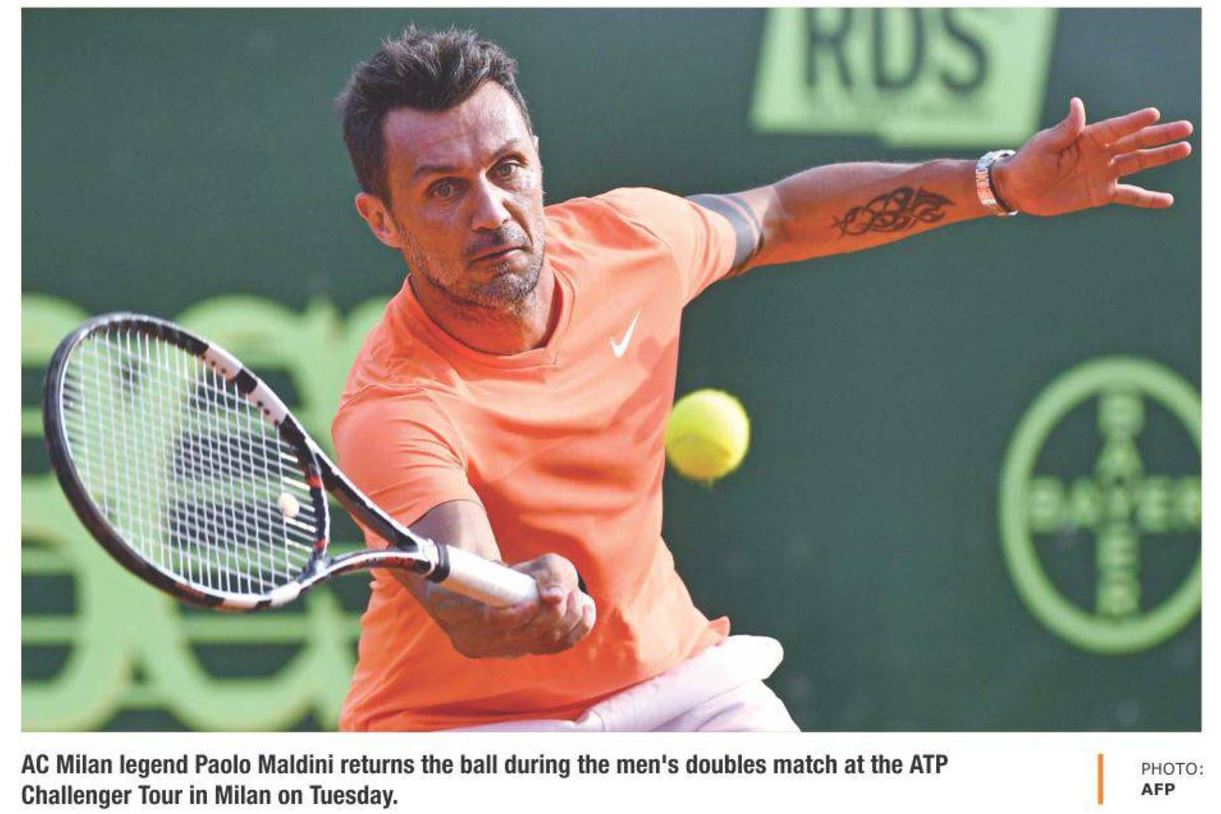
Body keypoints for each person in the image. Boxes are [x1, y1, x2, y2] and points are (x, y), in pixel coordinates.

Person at [331, 26, 1193, 732]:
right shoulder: (394, 406)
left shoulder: (632, 244)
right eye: (443, 190)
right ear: (380, 220)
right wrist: (520, 602)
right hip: (468, 733)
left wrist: (997, 183)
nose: (491, 212)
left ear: (536, 160)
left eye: (507, 168)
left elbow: (779, 214)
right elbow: (463, 594)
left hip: (668, 689)